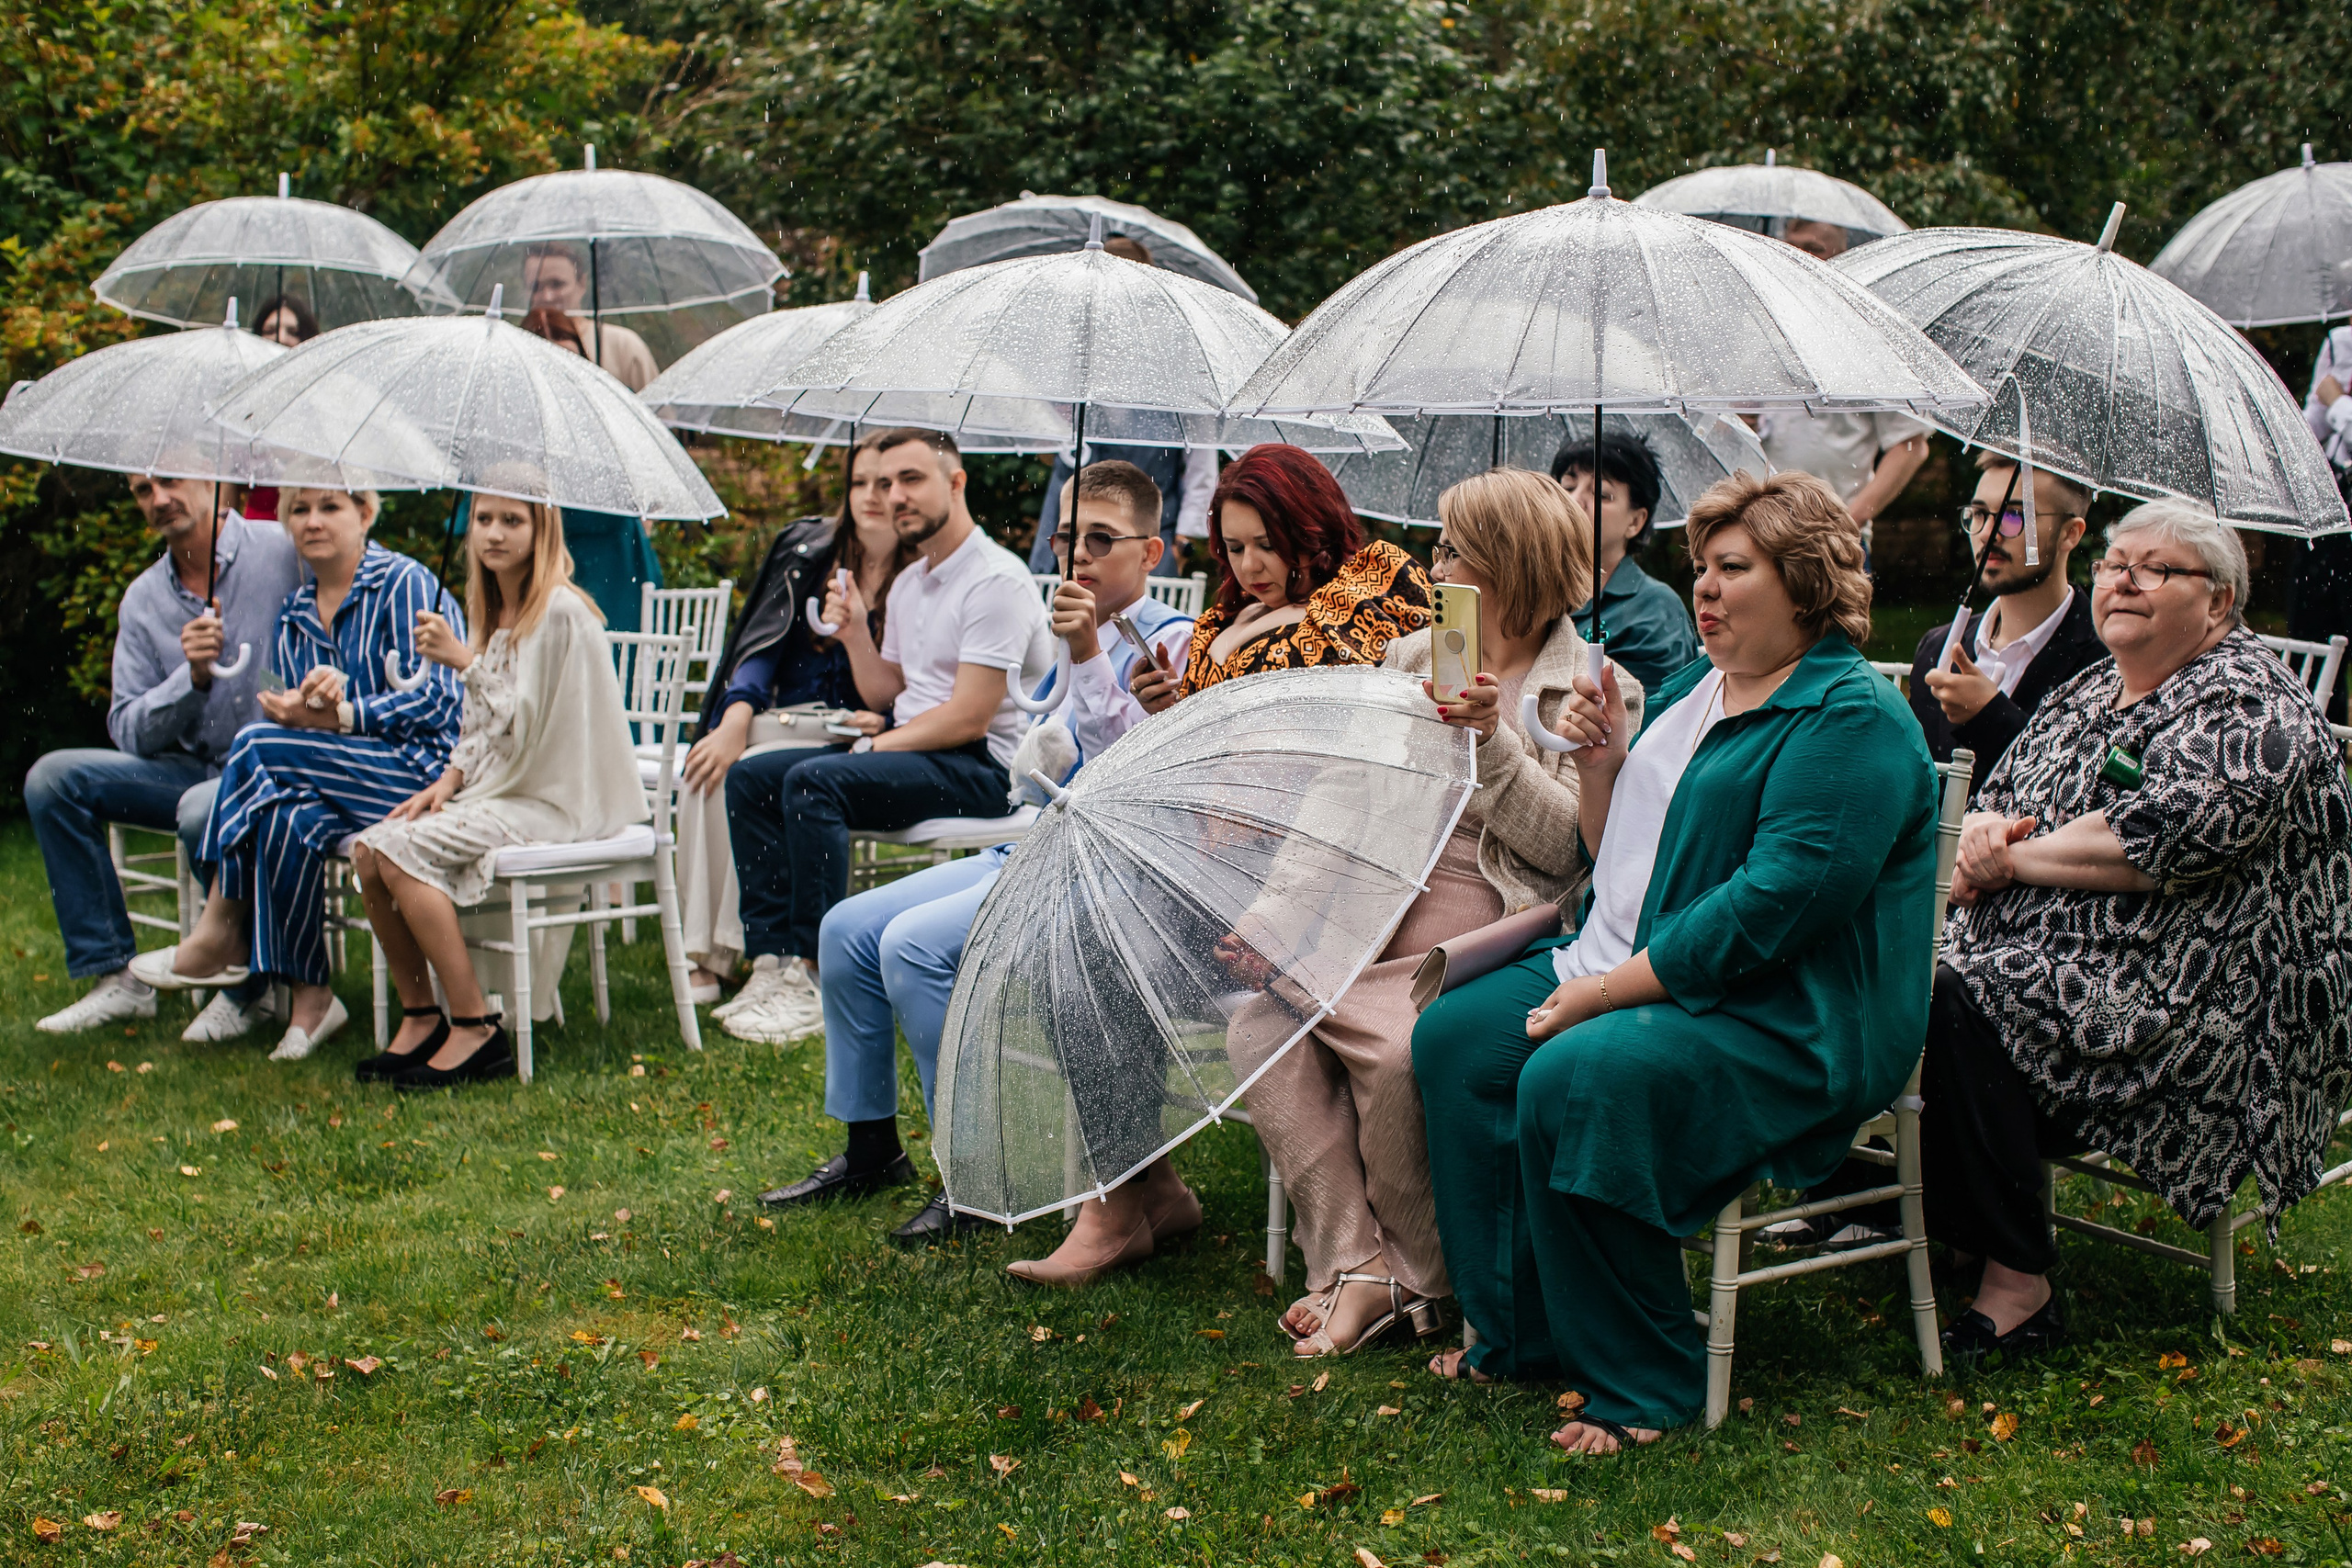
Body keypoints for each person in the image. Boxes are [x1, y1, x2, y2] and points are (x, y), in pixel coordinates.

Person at [1412, 471, 1937, 1451]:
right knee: (1457, 1040)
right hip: (1639, 962)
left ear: (1806, 583)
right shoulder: (1703, 688)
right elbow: (1616, 851)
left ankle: (1645, 1378)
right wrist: (1602, 763)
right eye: (1700, 567)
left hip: (1788, 1010)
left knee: (1576, 1075)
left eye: (1732, 568)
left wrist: (1604, 994)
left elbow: (1768, 910)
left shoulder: (1851, 717)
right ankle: (1523, 1331)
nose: (1703, 587)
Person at [1926, 499, 2352, 1359]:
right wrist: (1982, 835)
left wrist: (2010, 858)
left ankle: (2018, 1281)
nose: (2121, 581)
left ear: (2219, 600)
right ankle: (1948, 1217)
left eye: (2154, 569)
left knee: (1958, 993)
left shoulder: (2255, 705)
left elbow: (2157, 836)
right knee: (1887, 964)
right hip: (2064, 949)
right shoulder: (2093, 686)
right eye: (2114, 565)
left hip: (2193, 995)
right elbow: (2009, 790)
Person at [1239, 467, 1645, 1356]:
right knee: (1257, 1028)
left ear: (1507, 563)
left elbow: (1568, 853)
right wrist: (1274, 914)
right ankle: (1355, 1262)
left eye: (1454, 550)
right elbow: (1343, 793)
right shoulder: (1412, 657)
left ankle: (1417, 1271)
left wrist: (1491, 741)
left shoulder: (1588, 687)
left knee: (1398, 1052)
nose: (1435, 567)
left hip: (1494, 923)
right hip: (1386, 896)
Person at [763, 460, 1198, 1248]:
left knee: (911, 945)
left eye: (1102, 539)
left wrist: (1089, 652)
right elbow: (1042, 742)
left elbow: (1136, 776)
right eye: (1067, 537)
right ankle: (872, 1144)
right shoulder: (1074, 627)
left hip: (1102, 872)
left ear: (1151, 551)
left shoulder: (1172, 641)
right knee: (845, 928)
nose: (1079, 554)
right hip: (1034, 841)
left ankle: (973, 1172)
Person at [717, 428, 1049, 1046]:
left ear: (956, 482)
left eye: (911, 479)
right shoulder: (910, 581)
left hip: (982, 771)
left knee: (812, 782)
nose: (895, 496)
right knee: (752, 775)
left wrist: (875, 746)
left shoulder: (995, 580)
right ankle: (773, 961)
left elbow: (968, 717)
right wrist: (852, 635)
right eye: (887, 482)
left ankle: (818, 974)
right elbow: (884, 693)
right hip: (917, 750)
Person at [128, 488, 464, 1061]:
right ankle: (312, 998)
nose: (312, 522)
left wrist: (345, 712)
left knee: (255, 744)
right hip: (337, 776)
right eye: (299, 511)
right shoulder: (295, 612)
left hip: (420, 773)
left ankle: (221, 928)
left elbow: (442, 700)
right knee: (286, 818)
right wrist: (300, 703)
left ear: (365, 514)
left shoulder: (406, 583)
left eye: (329, 508)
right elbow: (287, 705)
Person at [347, 494, 645, 1088]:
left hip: (551, 798)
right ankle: (421, 1015)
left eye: (513, 521)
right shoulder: (491, 611)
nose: (494, 533)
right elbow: (480, 726)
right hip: (498, 789)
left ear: (542, 530)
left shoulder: (561, 613)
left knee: (398, 854)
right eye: (484, 519)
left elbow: (525, 726)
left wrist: (464, 661)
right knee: (368, 852)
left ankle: (475, 1024)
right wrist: (448, 781)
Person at [28, 471, 300, 1040]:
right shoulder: (144, 599)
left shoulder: (283, 551)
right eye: (142, 490)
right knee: (53, 779)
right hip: (190, 769)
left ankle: (247, 986)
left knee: (207, 807)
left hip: (278, 765)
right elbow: (128, 730)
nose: (158, 499)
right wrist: (190, 679)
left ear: (211, 478)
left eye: (170, 480)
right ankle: (118, 979)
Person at [681, 434, 904, 1000]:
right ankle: (708, 950)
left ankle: (754, 947)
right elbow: (762, 651)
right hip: (780, 715)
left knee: (749, 773)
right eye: (859, 482)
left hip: (854, 730)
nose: (871, 496)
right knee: (707, 768)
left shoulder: (920, 570)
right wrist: (734, 717)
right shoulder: (810, 553)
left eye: (886, 483)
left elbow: (912, 688)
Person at [1135, 444, 1433, 713]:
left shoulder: (1362, 597)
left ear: (1313, 531)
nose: (1249, 566)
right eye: (1235, 548)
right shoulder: (1220, 620)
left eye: (1268, 545)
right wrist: (1171, 708)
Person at [1023, 237, 1218, 581]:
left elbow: (1201, 462)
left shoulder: (1179, 367)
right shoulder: (1072, 361)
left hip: (1146, 536)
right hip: (1067, 533)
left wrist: (1183, 542)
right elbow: (1045, 449)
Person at [1908, 452, 2103, 784]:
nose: (1988, 533)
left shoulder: (2104, 658)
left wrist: (1991, 716)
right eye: (1979, 514)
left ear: (2070, 533)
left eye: (2015, 515)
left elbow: (2084, 786)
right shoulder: (1937, 647)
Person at [514, 308, 664, 632]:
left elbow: (649, 479)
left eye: (571, 361)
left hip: (617, 565)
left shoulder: (610, 413)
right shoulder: (512, 427)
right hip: (542, 564)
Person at [1550, 433, 1701, 697]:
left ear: (1635, 522)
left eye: (1600, 494)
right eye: (1567, 487)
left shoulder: (1654, 611)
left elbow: (1645, 713)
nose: (1574, 502)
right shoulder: (1529, 593)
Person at [2292, 327, 2352, 722]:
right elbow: (2306, 435)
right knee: (2314, 635)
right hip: (2330, 511)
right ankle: (2316, 730)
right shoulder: (2340, 341)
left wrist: (2339, 403)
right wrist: (2321, 403)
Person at [522, 243, 660, 391]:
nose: (547, 296)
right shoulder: (518, 349)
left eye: (557, 284)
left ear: (581, 283)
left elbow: (655, 403)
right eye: (536, 287)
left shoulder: (623, 345)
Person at [244, 296, 322, 522]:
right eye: (270, 330)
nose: (280, 338)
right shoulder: (245, 400)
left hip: (311, 522)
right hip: (256, 527)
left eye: (293, 332)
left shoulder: (322, 398)